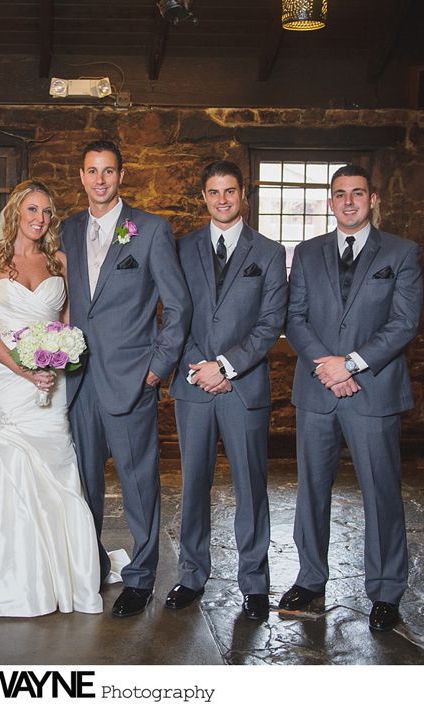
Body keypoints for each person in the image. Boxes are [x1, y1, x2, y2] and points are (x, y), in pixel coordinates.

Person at [0, 180, 102, 617]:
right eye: (33, 210)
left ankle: (58, 577)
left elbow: (68, 326)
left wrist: (58, 362)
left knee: (55, 468)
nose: (40, 219)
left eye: (47, 212)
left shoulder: (61, 262)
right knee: (5, 466)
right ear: (16, 213)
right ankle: (2, 578)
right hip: (6, 378)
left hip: (52, 381)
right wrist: (24, 369)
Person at [280, 164, 422, 632]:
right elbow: (294, 317)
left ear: (373, 198)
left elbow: (403, 323)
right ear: (330, 201)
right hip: (319, 388)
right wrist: (328, 364)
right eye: (339, 194)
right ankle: (310, 578)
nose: (348, 201)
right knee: (312, 490)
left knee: (381, 493)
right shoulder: (306, 252)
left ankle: (385, 590)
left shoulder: (401, 253)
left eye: (357, 193)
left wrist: (353, 363)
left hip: (373, 391)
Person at [61, 140, 191, 618]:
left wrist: (157, 368)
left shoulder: (151, 230)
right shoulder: (67, 230)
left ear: (121, 177)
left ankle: (140, 578)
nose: (100, 180)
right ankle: (90, 567)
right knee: (84, 484)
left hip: (133, 377)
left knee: (139, 485)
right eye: (92, 171)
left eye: (108, 171)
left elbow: (178, 307)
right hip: (77, 380)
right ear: (81, 176)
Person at [168, 161, 287, 618]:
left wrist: (227, 366)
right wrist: (201, 366)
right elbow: (175, 312)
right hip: (195, 381)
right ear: (203, 196)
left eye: (230, 191)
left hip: (244, 386)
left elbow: (271, 321)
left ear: (243, 195)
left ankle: (255, 584)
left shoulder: (270, 252)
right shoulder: (182, 248)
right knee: (193, 483)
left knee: (251, 486)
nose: (222, 199)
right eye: (214, 192)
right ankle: (191, 576)